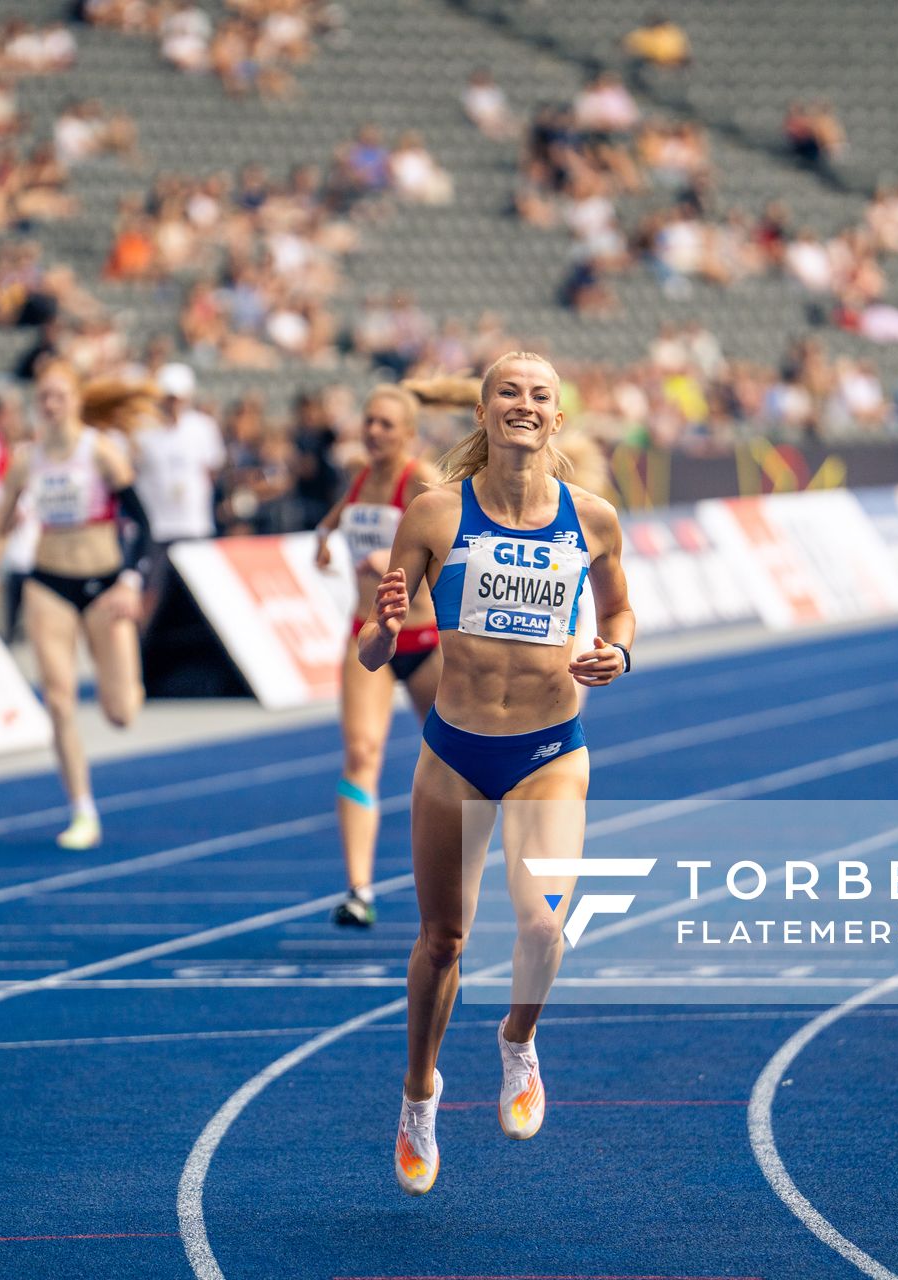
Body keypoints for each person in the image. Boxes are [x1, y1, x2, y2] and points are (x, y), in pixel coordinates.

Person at [360, 351, 633, 1195]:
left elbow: (619, 606)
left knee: (545, 927)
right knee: (443, 941)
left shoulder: (592, 519)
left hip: (550, 750)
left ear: (557, 418)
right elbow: (374, 647)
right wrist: (387, 626)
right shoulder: (436, 514)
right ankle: (419, 1097)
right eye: (507, 392)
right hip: (455, 750)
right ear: (482, 414)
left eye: (539, 395)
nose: (523, 404)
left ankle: (518, 1041)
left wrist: (618, 651)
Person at [0, 360, 156, 850]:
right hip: (47, 580)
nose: (50, 406)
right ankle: (82, 810)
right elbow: (2, 524)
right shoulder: (26, 460)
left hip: (103, 583)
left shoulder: (101, 453)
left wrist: (131, 582)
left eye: (58, 396)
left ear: (76, 400)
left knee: (121, 713)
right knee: (58, 699)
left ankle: (131, 674)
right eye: (43, 398)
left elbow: (142, 524)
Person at [312, 379, 476, 928]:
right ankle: (358, 889)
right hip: (369, 636)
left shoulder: (420, 480)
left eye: (386, 424)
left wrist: (393, 555)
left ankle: (465, 875)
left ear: (409, 433)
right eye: (369, 421)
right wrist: (324, 536)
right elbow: (342, 515)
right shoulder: (362, 477)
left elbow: (459, 539)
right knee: (361, 752)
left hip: (426, 641)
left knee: (456, 761)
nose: (374, 431)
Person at [130, 361, 223, 620]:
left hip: (194, 524)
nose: (173, 404)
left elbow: (211, 470)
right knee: (151, 590)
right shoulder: (143, 430)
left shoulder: (202, 427)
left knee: (202, 591)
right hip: (157, 526)